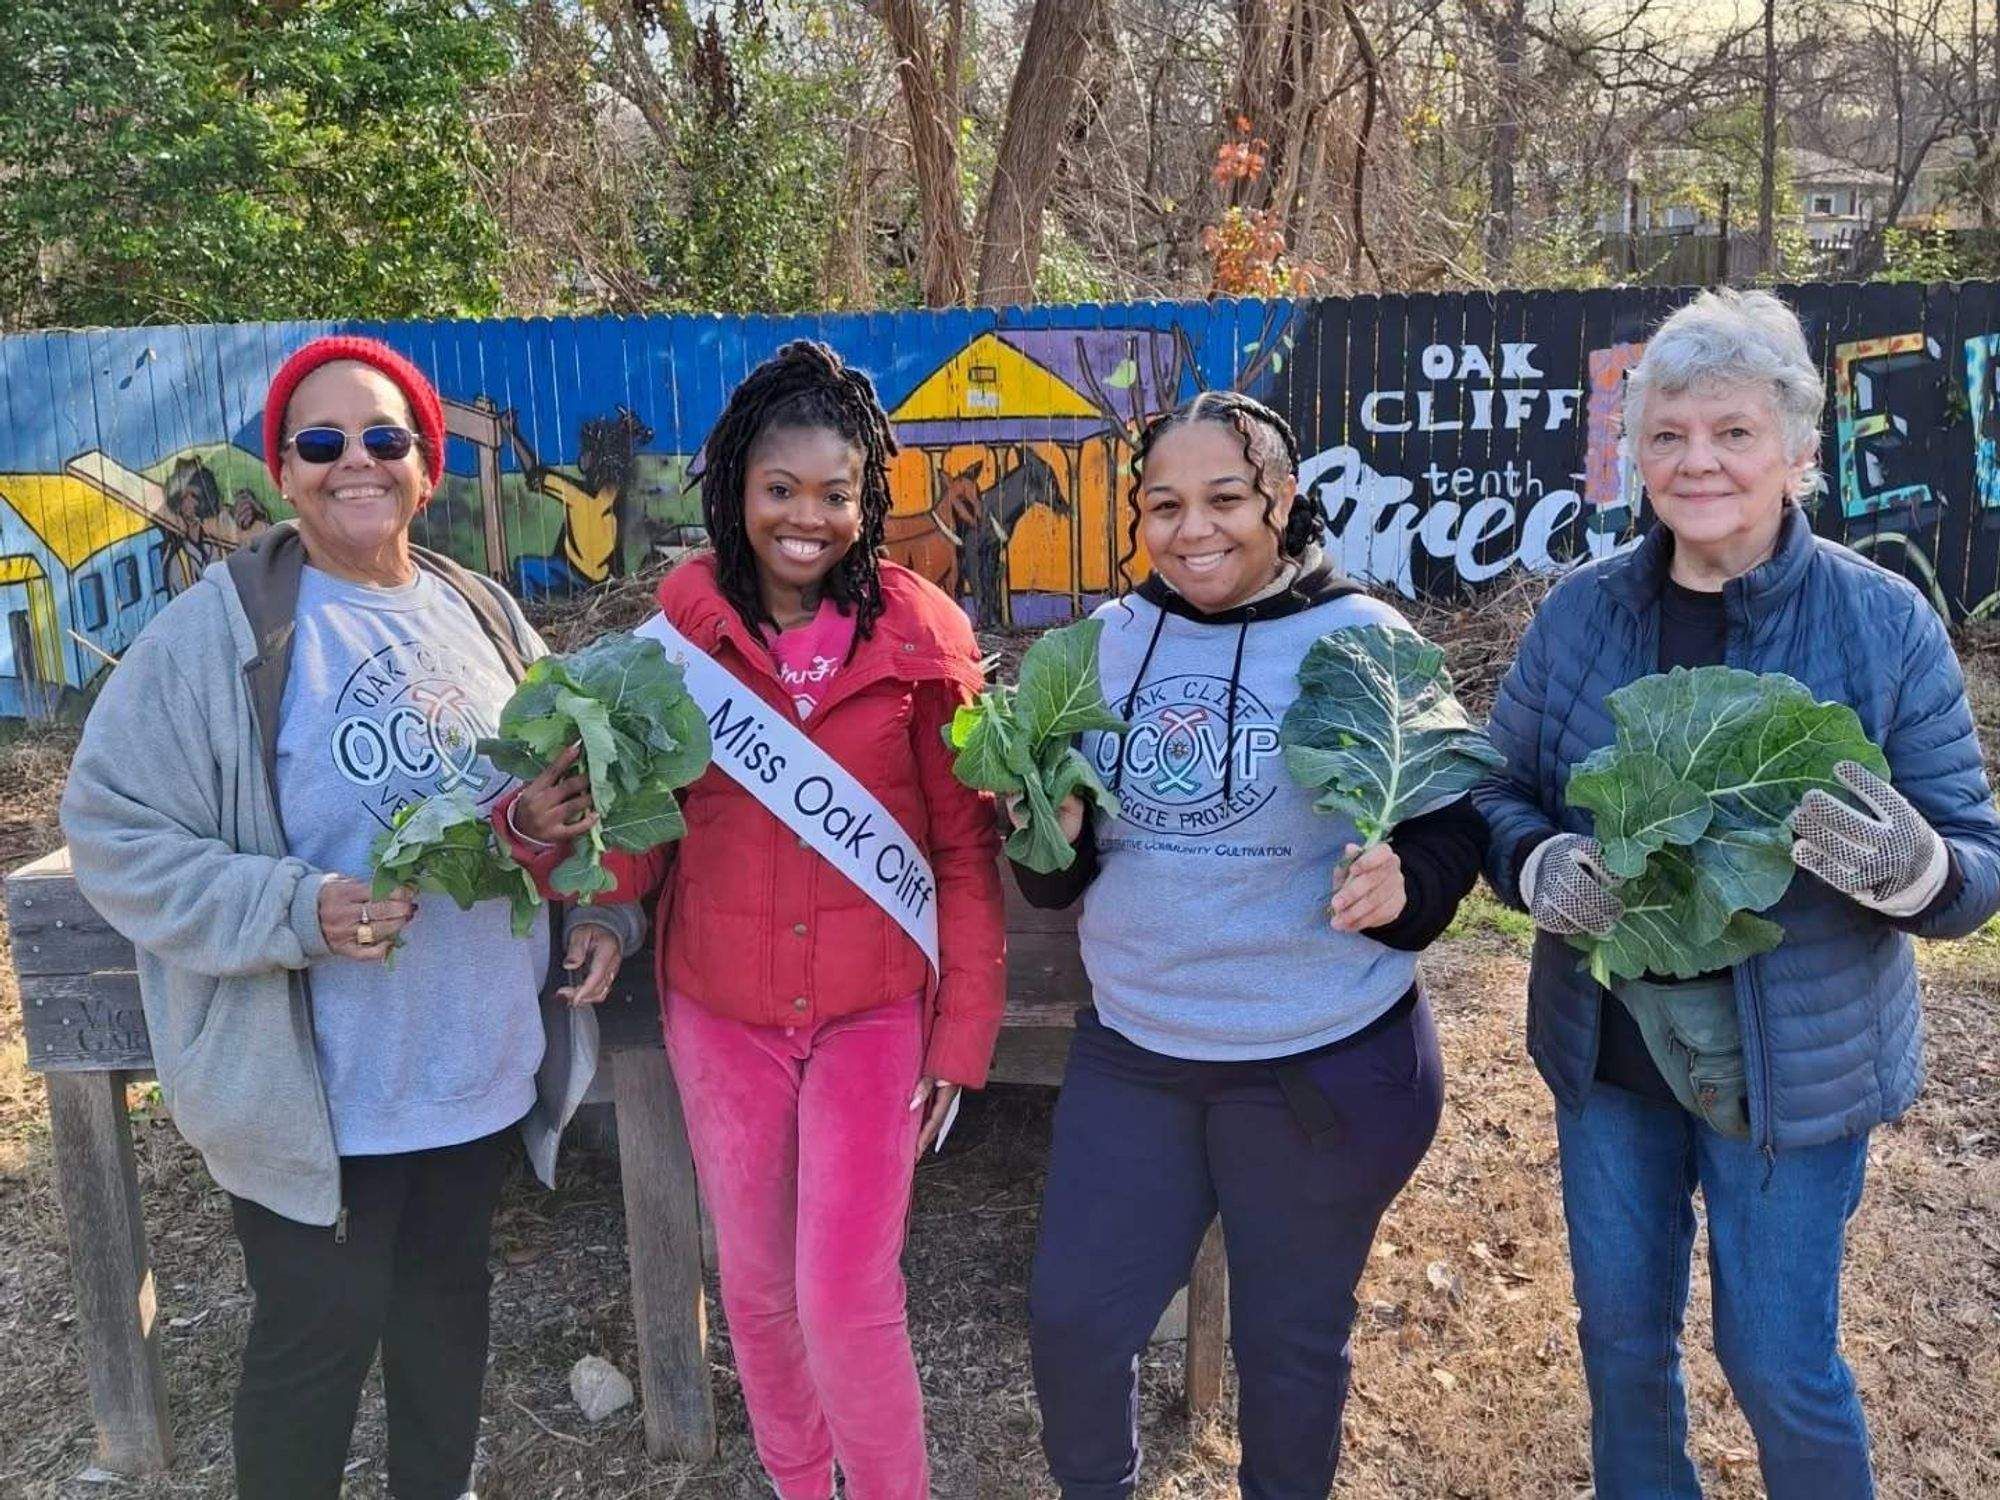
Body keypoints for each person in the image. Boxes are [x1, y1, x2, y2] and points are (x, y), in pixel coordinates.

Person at [60, 335, 640, 1500]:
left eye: (384, 439)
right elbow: (113, 833)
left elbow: (538, 808)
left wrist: (574, 879)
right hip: (326, 1094)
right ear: (283, 470)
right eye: (320, 443)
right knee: (311, 1354)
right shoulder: (217, 637)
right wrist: (296, 909)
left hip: (471, 1069)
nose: (354, 463)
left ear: (426, 466)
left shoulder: (478, 614)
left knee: (444, 1330)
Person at [1475, 289, 2000, 1499]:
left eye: (1730, 432)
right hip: (1610, 1059)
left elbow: (1974, 856)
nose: (1695, 460)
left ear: (1796, 453)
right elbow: (1498, 789)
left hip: (1789, 1073)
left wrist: (1921, 874)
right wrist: (1536, 864)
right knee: (1619, 1350)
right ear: (1633, 454)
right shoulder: (1581, 614)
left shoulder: (1880, 625)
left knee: (1774, 1361)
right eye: (1665, 435)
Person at [503, 339, 1006, 1500]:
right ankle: (796, 1482)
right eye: (780, 489)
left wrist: (959, 1036)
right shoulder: (678, 638)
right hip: (717, 1012)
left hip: (873, 1018)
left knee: (845, 1296)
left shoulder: (924, 643)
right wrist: (602, 916)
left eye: (836, 494)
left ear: (868, 500)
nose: (806, 518)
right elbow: (640, 813)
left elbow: (964, 854)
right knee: (758, 1291)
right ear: (736, 489)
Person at [1013, 390, 1486, 1499]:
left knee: (1289, 1347)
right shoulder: (1099, 647)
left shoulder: (1365, 640)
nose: (1194, 529)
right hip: (1138, 1052)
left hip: (1319, 1063)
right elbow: (1053, 876)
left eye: (1225, 498)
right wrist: (1051, 835)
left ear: (1281, 498)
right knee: (1073, 1322)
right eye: (1164, 505)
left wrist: (1406, 883)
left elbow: (1454, 816)